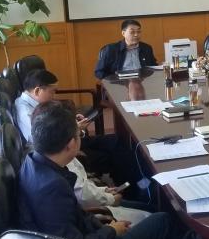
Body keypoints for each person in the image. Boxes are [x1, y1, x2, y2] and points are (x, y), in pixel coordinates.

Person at [17, 102, 189, 239]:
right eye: (79, 134)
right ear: (71, 144)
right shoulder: (52, 187)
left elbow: (71, 222)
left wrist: (99, 223)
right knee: (163, 221)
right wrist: (111, 230)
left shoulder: (33, 162)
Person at [16, 69, 145, 202]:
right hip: (60, 146)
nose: (54, 96)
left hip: (65, 140)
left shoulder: (31, 103)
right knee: (113, 154)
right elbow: (46, 138)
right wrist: (74, 128)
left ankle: (130, 188)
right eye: (52, 92)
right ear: (37, 91)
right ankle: (131, 193)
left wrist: (69, 119)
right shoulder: (24, 112)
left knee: (116, 141)